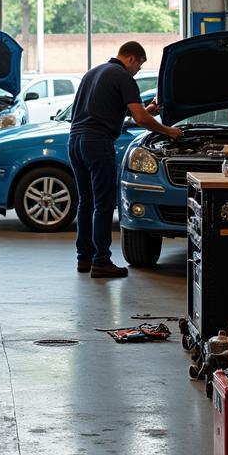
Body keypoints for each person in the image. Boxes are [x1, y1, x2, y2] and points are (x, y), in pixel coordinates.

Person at [67, 41, 182, 278]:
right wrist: (169, 131)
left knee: (86, 202)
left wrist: (150, 111)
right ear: (131, 58)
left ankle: (84, 258)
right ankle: (101, 261)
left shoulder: (93, 73)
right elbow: (140, 120)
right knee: (104, 203)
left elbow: (124, 113)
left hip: (75, 141)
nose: (137, 71)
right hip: (97, 143)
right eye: (138, 66)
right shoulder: (123, 76)